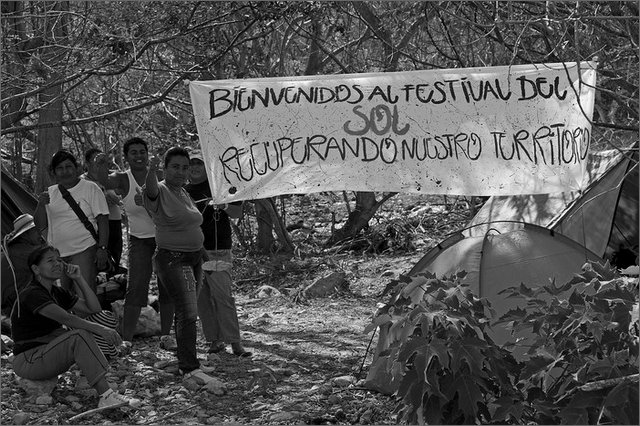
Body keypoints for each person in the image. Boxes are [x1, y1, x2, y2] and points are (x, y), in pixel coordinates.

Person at [10, 245, 139, 409]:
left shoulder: (57, 292)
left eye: (59, 260)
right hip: (30, 360)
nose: (57, 264)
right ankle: (106, 395)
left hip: (49, 351)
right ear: (36, 269)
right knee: (79, 335)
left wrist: (79, 279)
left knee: (103, 318)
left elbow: (94, 309)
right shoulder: (32, 293)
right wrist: (101, 330)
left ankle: (90, 374)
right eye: (50, 261)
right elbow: (66, 318)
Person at [143, 147, 215, 385]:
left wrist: (206, 257)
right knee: (188, 313)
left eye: (185, 167)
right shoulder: (159, 189)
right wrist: (150, 170)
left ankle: (188, 359)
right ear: (165, 168)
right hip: (173, 258)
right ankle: (190, 367)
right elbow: (151, 190)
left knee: (185, 314)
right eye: (175, 167)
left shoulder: (183, 192)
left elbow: (192, 227)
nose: (181, 172)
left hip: (195, 258)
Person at [99, 137, 176, 350]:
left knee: (166, 288)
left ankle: (166, 336)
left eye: (142, 151)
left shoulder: (159, 177)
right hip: (139, 240)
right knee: (135, 289)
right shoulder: (123, 179)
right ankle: (127, 340)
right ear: (126, 157)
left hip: (165, 238)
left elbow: (176, 197)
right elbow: (103, 181)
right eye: (134, 152)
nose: (139, 156)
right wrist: (101, 164)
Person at [184, 151, 251, 357]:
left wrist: (223, 205)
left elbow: (238, 212)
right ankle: (214, 341)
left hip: (218, 250)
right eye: (191, 164)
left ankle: (235, 343)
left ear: (207, 166)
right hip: (192, 251)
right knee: (202, 299)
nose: (194, 167)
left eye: (199, 163)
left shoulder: (220, 186)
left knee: (223, 297)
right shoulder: (182, 191)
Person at [33, 150, 110, 294]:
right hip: (57, 255)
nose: (65, 171)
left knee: (85, 294)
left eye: (68, 167)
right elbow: (40, 225)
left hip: (84, 249)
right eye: (60, 168)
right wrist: (41, 204)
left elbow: (103, 220)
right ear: (54, 172)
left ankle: (89, 317)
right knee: (62, 298)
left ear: (77, 168)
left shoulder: (90, 188)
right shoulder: (50, 192)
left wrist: (103, 248)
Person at [82, 148, 124, 271]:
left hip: (114, 222)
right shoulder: (82, 181)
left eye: (102, 160)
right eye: (96, 160)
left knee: (115, 258)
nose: (100, 163)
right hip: (96, 226)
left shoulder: (112, 178)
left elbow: (121, 197)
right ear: (87, 164)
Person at [1, 214, 45, 317]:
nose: (40, 234)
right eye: (36, 231)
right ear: (25, 235)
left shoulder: (12, 249)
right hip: (14, 309)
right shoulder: (26, 252)